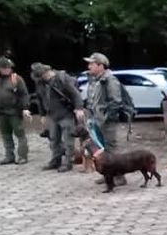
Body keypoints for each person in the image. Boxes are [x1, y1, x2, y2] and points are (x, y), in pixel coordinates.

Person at [32, 63, 85, 172]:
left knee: (68, 140)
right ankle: (55, 160)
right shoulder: (41, 83)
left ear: (45, 73)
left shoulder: (62, 79)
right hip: (52, 115)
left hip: (66, 113)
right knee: (53, 139)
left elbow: (75, 94)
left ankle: (68, 162)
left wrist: (79, 108)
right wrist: (42, 114)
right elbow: (40, 99)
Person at [84, 52, 126, 185]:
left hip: (106, 121)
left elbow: (116, 101)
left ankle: (119, 176)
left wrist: (107, 117)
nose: (89, 66)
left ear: (101, 65)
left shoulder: (110, 80)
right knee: (103, 149)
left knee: (112, 149)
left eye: (92, 64)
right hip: (96, 119)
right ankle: (108, 173)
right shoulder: (95, 80)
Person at [0, 57, 32, 165]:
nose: (7, 69)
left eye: (9, 67)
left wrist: (25, 108)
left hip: (14, 112)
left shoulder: (17, 79)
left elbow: (24, 94)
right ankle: (9, 156)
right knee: (6, 135)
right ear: (0, 68)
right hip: (1, 113)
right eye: (5, 68)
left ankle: (22, 156)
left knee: (20, 134)